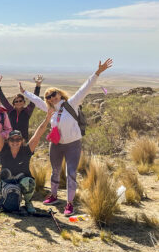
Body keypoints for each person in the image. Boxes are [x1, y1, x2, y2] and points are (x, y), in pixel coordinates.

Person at [21, 59, 113, 216]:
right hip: (56, 144)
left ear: (59, 93)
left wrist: (97, 72)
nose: (51, 98)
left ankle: (70, 203)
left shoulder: (72, 103)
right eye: (48, 97)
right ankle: (54, 196)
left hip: (73, 145)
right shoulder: (49, 108)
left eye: (53, 94)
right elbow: (37, 101)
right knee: (55, 171)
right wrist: (24, 92)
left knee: (70, 173)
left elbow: (85, 88)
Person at [0, 108, 54, 213]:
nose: (15, 142)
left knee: (29, 182)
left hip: (22, 181)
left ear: (22, 141)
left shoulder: (26, 150)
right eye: (12, 139)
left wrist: (47, 119)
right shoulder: (3, 149)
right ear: (8, 141)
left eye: (18, 139)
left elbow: (38, 134)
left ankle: (28, 202)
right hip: (5, 181)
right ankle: (1, 198)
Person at [0, 74, 43, 140]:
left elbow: (34, 100)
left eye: (20, 101)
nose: (18, 102)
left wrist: (38, 86)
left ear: (24, 102)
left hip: (23, 140)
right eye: (16, 101)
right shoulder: (10, 110)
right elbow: (3, 100)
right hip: (11, 140)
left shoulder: (27, 111)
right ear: (13, 103)